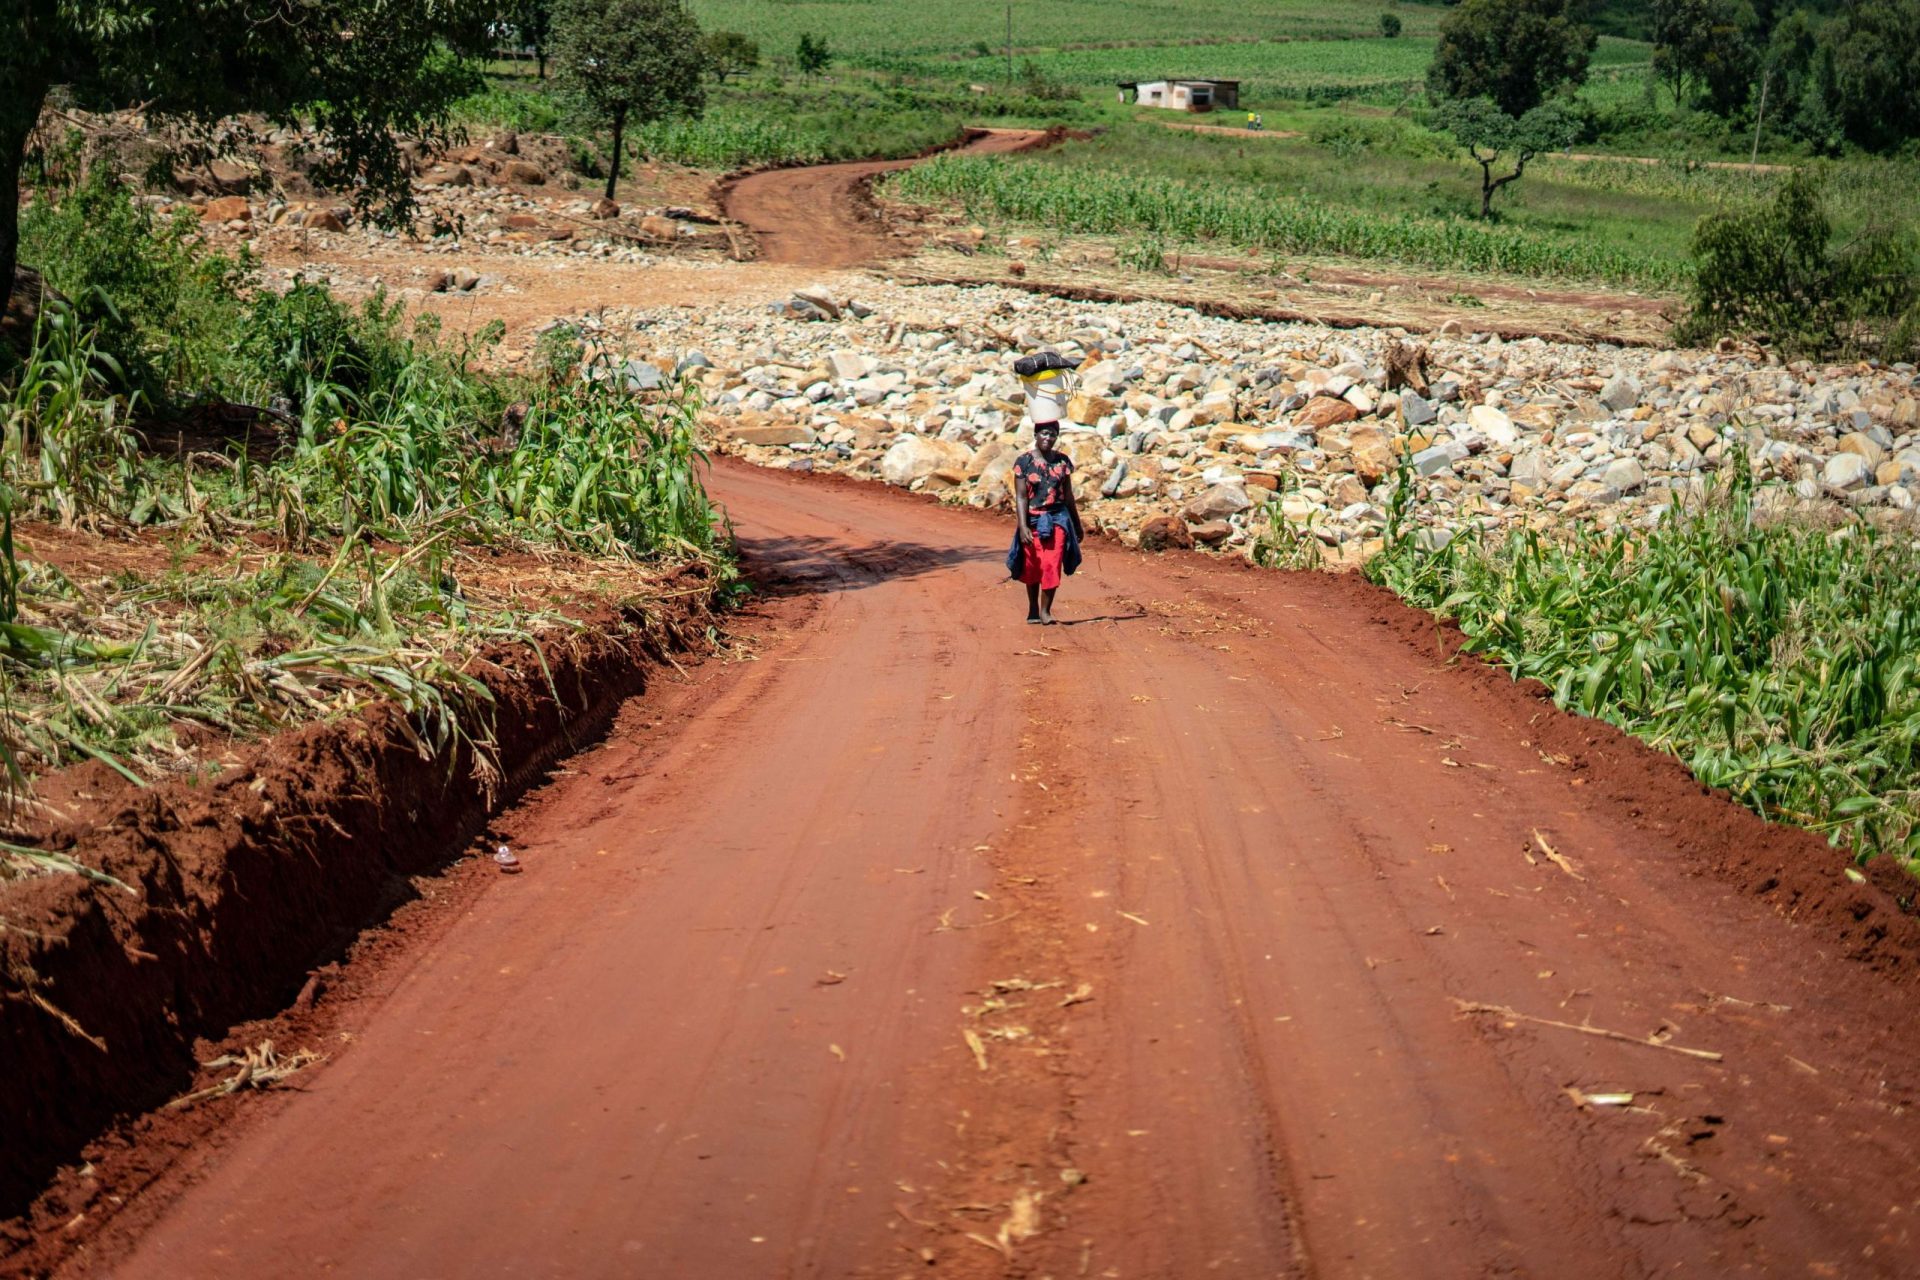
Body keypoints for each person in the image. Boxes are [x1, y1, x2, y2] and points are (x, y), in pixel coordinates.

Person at [1009, 420, 1083, 624]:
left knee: (1051, 564)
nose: (1047, 438)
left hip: (1057, 519)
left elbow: (1068, 496)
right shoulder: (1023, 462)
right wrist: (1023, 526)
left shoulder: (1062, 462)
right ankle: (1033, 608)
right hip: (1032, 519)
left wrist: (1077, 524)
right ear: (1035, 435)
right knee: (1032, 566)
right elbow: (1021, 497)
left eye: (1052, 435)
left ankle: (1045, 611)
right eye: (1044, 434)